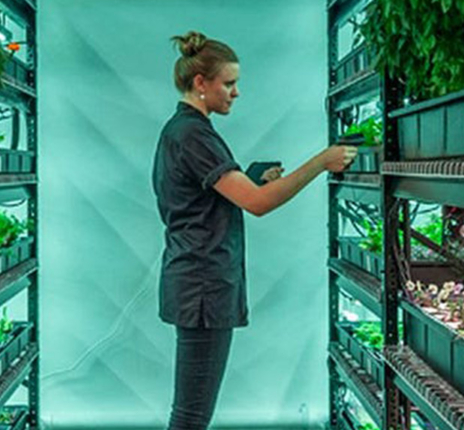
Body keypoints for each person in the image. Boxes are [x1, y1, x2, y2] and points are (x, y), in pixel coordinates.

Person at [151, 30, 357, 430]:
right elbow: (257, 203)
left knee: (192, 410)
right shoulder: (193, 134)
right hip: (203, 286)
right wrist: (321, 162)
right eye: (228, 83)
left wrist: (254, 177)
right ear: (200, 83)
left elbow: (211, 195)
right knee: (191, 416)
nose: (236, 92)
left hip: (197, 279)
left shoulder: (184, 130)